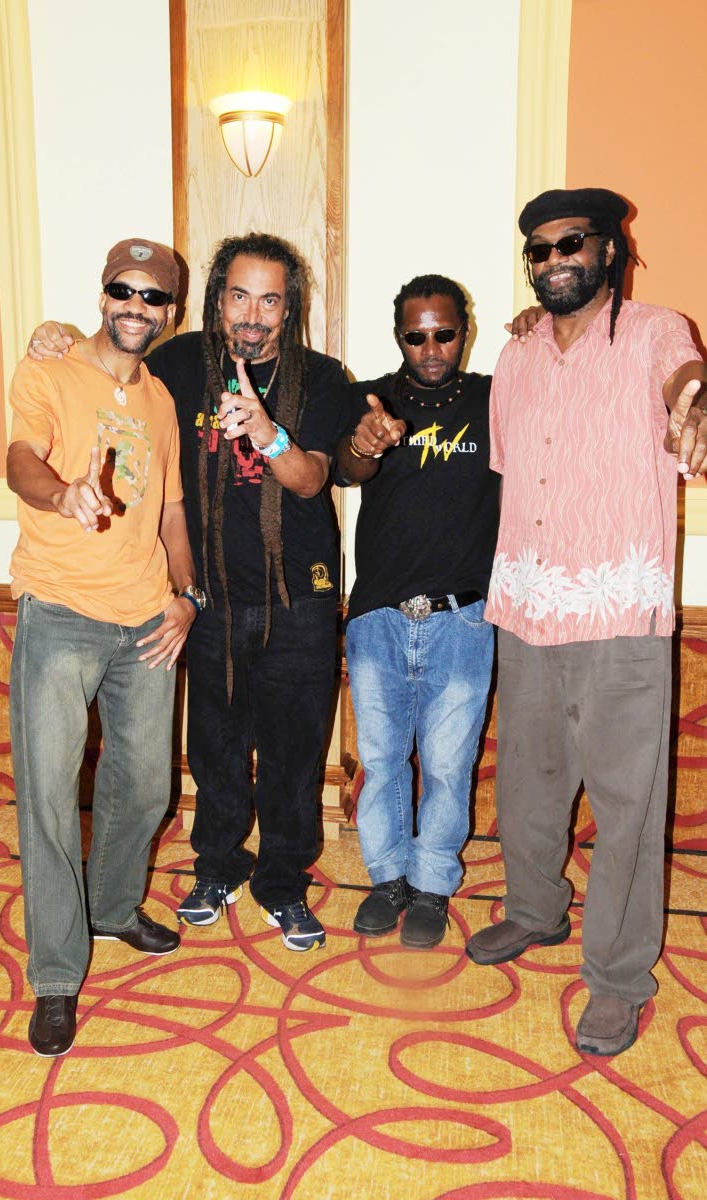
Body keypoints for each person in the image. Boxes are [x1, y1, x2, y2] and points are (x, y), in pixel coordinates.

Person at [27, 233, 351, 953]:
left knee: (295, 753)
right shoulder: (176, 365)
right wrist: (55, 335)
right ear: (215, 300)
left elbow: (311, 480)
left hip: (299, 598)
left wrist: (266, 433)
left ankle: (283, 881)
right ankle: (218, 866)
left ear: (290, 307)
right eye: (239, 296)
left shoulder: (324, 377)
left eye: (270, 300)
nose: (253, 315)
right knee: (214, 747)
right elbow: (108, 359)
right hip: (208, 598)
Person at [465, 188, 707, 1056]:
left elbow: (686, 380)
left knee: (627, 804)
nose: (555, 259)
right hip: (526, 604)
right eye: (539, 248)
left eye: (572, 242)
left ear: (610, 249)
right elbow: (510, 468)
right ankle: (535, 909)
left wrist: (695, 406)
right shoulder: (518, 354)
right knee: (528, 784)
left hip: (617, 613)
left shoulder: (655, 331)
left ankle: (618, 978)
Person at [8, 238, 200, 1056]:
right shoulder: (48, 369)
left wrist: (188, 596)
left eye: (153, 297)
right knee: (49, 797)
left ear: (171, 313)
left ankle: (113, 908)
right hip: (60, 612)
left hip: (147, 617)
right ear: (102, 295)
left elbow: (172, 511)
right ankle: (56, 974)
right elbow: (21, 460)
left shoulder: (162, 400)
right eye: (124, 290)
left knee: (147, 784)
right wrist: (62, 495)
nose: (136, 306)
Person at [335, 275, 499, 948]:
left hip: (463, 619)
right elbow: (345, 469)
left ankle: (432, 883)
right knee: (381, 761)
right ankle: (388, 878)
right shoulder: (371, 399)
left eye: (444, 333)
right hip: (377, 615)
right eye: (415, 336)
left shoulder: (494, 398)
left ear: (466, 330)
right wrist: (364, 446)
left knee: (449, 766)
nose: (431, 349)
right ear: (398, 336)